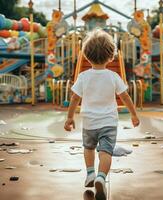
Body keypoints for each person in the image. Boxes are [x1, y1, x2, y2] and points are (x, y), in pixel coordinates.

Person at [64, 29, 140, 200]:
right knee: (106, 152)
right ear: (111, 56)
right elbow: (125, 96)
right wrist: (134, 115)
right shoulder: (113, 76)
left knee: (89, 148)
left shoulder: (83, 76)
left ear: (86, 56)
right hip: (109, 123)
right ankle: (101, 177)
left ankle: (90, 173)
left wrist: (69, 118)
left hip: (89, 123)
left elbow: (75, 98)